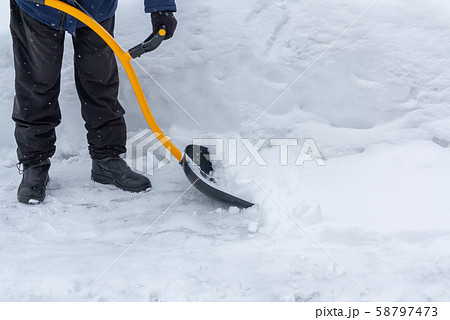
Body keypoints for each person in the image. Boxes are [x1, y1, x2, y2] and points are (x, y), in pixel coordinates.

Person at [10, 0, 177, 204]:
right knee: (36, 83)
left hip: (95, 7)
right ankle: (34, 164)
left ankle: (106, 159)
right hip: (39, 8)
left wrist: (160, 6)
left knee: (100, 82)